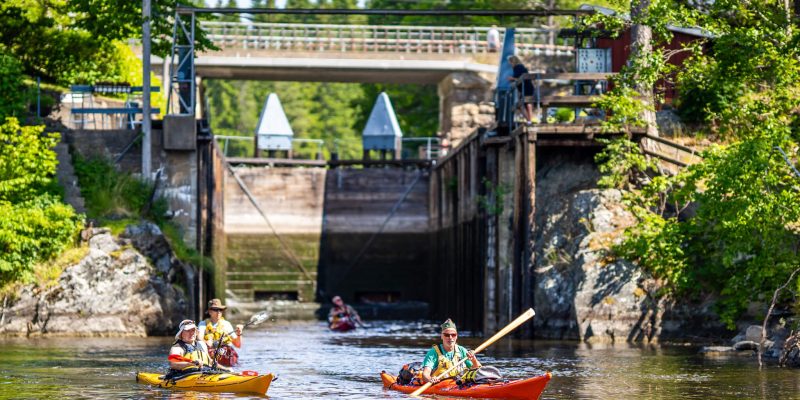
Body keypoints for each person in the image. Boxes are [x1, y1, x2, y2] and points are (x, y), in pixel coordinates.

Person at [421, 319, 482, 384]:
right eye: (446, 335)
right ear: (441, 336)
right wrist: (430, 379)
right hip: (439, 384)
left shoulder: (462, 350)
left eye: (453, 335)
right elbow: (425, 374)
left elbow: (479, 371)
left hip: (458, 383)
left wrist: (474, 360)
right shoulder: (433, 352)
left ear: (456, 336)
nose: (450, 337)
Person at [197, 298, 243, 367]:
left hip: (225, 355)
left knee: (226, 351)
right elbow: (199, 338)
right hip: (210, 354)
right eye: (216, 310)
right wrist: (206, 342)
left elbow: (238, 345)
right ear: (210, 312)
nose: (219, 312)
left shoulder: (227, 324)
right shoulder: (203, 324)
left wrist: (239, 334)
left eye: (220, 310)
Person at [507, 55, 536, 125]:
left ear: (512, 61)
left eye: (510, 62)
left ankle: (529, 120)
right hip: (528, 87)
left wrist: (512, 79)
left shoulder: (518, 67)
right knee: (527, 104)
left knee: (523, 105)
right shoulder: (522, 67)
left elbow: (520, 78)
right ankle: (529, 120)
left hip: (526, 88)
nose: (509, 64)